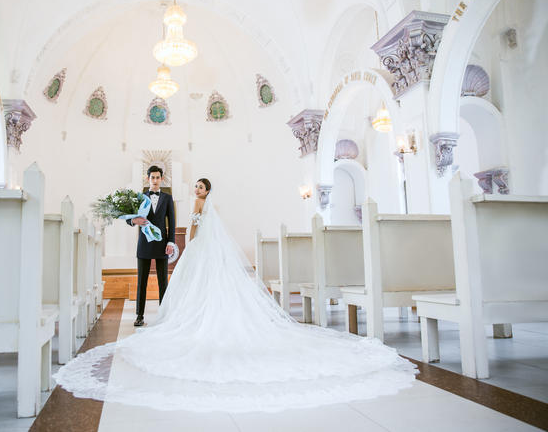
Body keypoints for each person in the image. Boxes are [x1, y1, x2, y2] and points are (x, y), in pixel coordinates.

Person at [55, 178, 417, 413]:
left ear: (204, 191)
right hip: (204, 250)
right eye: (195, 187)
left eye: (198, 186)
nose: (195, 190)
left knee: (190, 286)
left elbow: (192, 230)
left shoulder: (197, 206)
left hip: (200, 249)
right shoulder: (205, 205)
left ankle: (183, 319)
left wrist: (187, 246)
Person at [126, 165, 175, 327]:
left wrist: (170, 242)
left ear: (161, 179)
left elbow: (172, 222)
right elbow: (128, 217)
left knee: (163, 282)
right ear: (148, 179)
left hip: (162, 244)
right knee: (142, 281)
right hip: (144, 244)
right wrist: (134, 220)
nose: (155, 180)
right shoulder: (140, 197)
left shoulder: (168, 198)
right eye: (152, 177)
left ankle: (164, 315)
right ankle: (139, 316)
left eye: (157, 177)